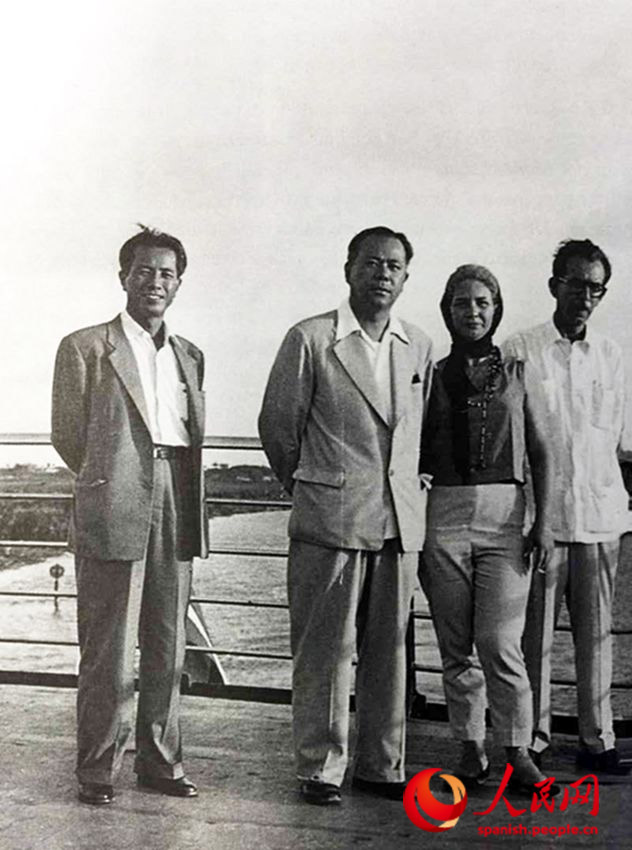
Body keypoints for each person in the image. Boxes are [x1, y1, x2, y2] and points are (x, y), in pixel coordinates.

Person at [258, 226, 433, 805]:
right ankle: (320, 767)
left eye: (394, 266)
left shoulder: (418, 344)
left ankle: (381, 765)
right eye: (372, 262)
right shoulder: (311, 338)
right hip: (330, 520)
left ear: (405, 278)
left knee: (390, 650)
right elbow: (278, 427)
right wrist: (314, 486)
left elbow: (419, 433)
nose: (382, 274)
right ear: (349, 270)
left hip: (396, 523)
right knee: (325, 651)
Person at [52, 226, 208, 805]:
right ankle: (97, 769)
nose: (155, 282)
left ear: (179, 284)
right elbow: (68, 436)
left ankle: (160, 763)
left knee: (168, 646)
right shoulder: (85, 347)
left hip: (176, 499)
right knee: (110, 652)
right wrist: (110, 479)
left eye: (167, 273)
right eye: (144, 271)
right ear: (124, 278)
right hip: (114, 499)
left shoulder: (190, 355)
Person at [419, 264, 556, 793]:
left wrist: (544, 521)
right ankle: (470, 749)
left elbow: (541, 450)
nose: (471, 312)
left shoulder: (519, 371)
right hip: (444, 515)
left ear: (496, 309)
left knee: (500, 642)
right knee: (456, 647)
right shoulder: (431, 373)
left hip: (506, 517)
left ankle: (518, 751)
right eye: (461, 303)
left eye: (482, 302)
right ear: (447, 310)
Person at [503, 239, 631, 775]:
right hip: (542, 521)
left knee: (597, 638)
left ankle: (597, 741)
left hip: (600, 517)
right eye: (576, 284)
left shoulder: (612, 355)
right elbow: (511, 440)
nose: (585, 296)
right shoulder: (520, 349)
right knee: (533, 637)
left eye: (596, 288)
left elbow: (617, 437)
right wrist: (532, 515)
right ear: (554, 285)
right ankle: (532, 739)